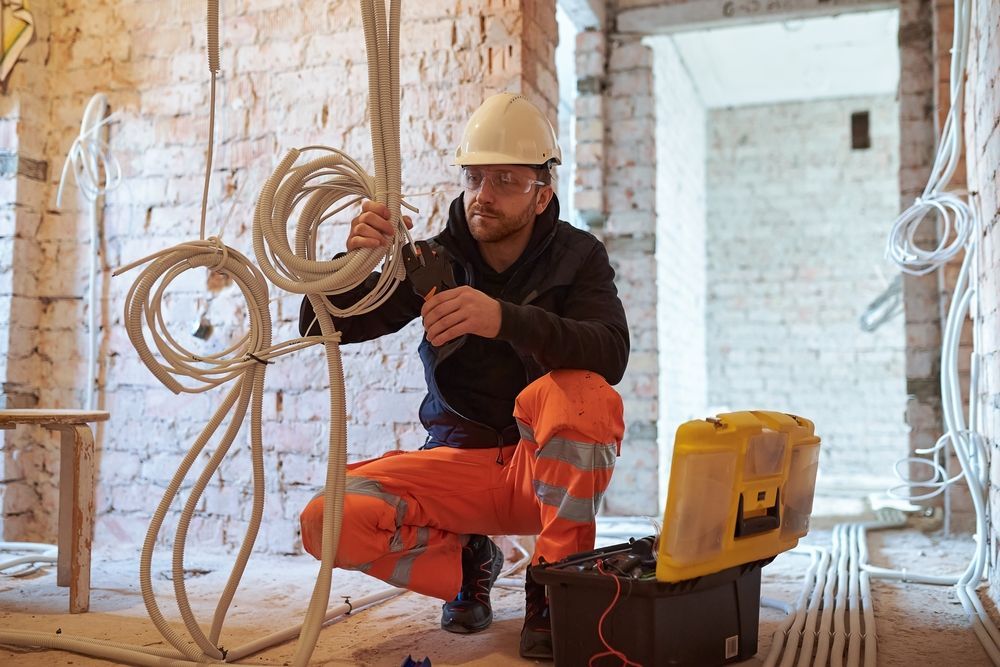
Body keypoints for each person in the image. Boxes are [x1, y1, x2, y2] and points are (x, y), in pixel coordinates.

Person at [298, 92, 629, 660]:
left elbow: (612, 352)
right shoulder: (431, 260)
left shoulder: (579, 256)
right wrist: (351, 260)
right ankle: (466, 566)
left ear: (542, 192)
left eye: (505, 180)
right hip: (459, 464)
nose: (484, 195)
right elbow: (320, 324)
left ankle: (552, 585)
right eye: (475, 177)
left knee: (584, 394)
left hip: (540, 467)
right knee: (327, 521)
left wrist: (504, 319)